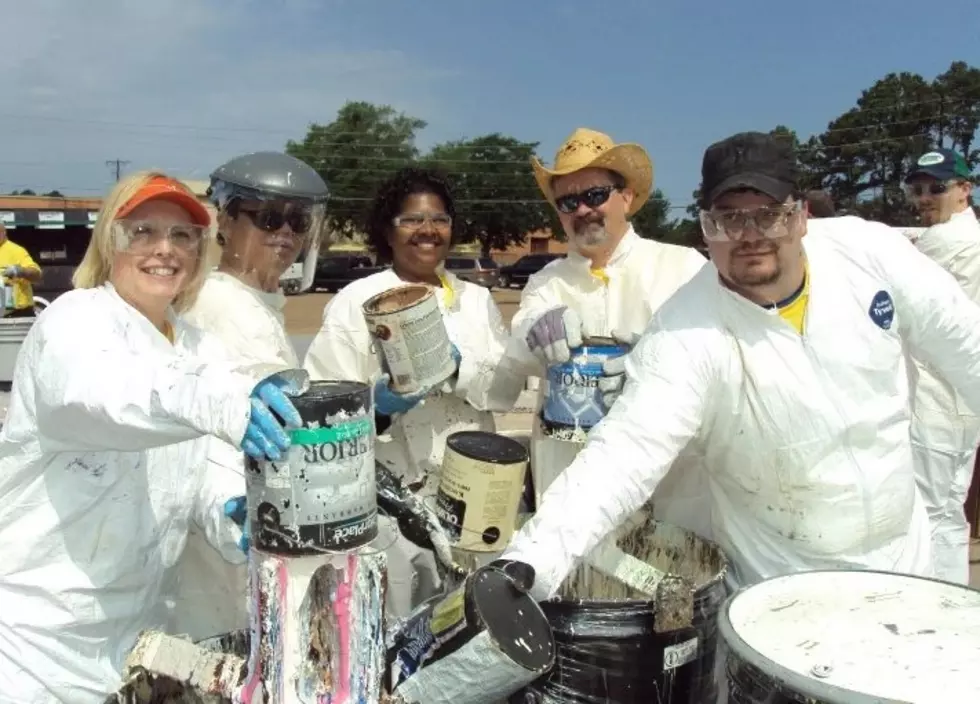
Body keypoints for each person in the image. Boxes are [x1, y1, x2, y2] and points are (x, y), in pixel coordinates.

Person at [500, 131, 980, 602]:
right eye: (729, 220)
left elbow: (967, 348)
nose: (750, 237)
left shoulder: (869, 255)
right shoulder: (685, 329)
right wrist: (526, 565)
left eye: (769, 216)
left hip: (902, 561)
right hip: (780, 587)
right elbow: (622, 456)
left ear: (802, 215)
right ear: (706, 227)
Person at [0, 171, 304, 703]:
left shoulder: (200, 347)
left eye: (183, 235)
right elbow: (106, 395)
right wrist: (227, 402)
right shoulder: (74, 321)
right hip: (32, 640)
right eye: (142, 231)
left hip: (133, 639)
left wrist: (231, 512)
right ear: (110, 242)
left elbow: (201, 466)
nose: (165, 250)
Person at [303, 167, 525, 617]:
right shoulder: (356, 300)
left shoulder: (476, 301)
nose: (428, 231)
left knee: (467, 619)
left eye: (439, 219)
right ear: (388, 229)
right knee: (399, 624)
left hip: (475, 493)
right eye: (411, 220)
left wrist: (462, 369)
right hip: (394, 498)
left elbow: (507, 389)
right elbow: (321, 412)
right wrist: (378, 407)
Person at [514, 127, 706, 529]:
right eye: (568, 201)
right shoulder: (544, 283)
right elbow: (519, 341)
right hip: (569, 490)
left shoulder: (685, 269)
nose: (583, 209)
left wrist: (657, 370)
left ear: (627, 197)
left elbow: (721, 367)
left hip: (668, 491)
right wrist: (536, 327)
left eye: (595, 195)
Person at [173, 152, 329, 639]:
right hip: (228, 529)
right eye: (268, 217)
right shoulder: (220, 303)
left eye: (298, 220)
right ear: (225, 219)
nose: (285, 233)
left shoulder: (259, 304)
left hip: (257, 525)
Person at [903, 148, 980, 584]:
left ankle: (926, 609)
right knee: (950, 513)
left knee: (925, 514)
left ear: (964, 190)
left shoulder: (947, 244)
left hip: (936, 400)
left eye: (937, 188)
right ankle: (954, 601)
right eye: (917, 188)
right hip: (961, 399)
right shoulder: (966, 238)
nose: (924, 197)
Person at [0, 221, 43, 317]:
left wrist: (20, 271)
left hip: (18, 314)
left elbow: (37, 275)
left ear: (4, 232)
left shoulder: (17, 251)